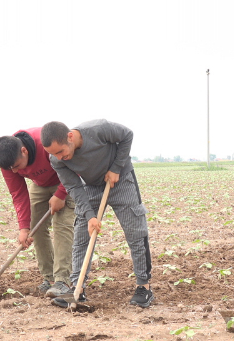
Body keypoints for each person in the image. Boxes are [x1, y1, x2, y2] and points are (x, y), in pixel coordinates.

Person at [41, 120, 154, 308]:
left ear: (70, 136)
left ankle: (144, 287)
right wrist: (89, 216)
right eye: (53, 154)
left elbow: (127, 135)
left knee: (135, 232)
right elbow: (74, 187)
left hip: (121, 179)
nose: (59, 158)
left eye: (60, 151)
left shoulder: (99, 129)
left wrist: (116, 168)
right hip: (91, 186)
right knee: (81, 236)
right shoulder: (57, 161)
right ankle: (77, 289)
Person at [0, 128, 75, 297]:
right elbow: (18, 193)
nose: (15, 172)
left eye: (17, 166)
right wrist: (23, 228)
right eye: (11, 169)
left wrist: (60, 194)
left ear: (24, 151)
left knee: (62, 227)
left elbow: (74, 167)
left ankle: (63, 280)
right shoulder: (8, 162)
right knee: (35, 229)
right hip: (40, 185)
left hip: (66, 180)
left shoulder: (45, 142)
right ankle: (50, 278)